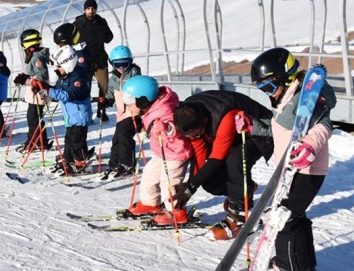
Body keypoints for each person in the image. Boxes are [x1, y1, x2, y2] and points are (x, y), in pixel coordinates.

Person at [247, 48, 335, 270]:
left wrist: (309, 145)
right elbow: (281, 130)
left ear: (285, 77)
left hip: (306, 171)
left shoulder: (304, 98)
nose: (267, 92)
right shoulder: (286, 98)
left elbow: (324, 125)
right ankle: (303, 265)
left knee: (284, 220)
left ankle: (288, 266)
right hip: (290, 171)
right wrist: (253, 126)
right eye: (261, 88)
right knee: (295, 217)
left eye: (268, 86)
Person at [170, 90, 274, 240]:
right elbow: (199, 154)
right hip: (232, 136)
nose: (194, 138)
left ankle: (238, 217)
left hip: (258, 131)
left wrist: (192, 186)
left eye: (196, 134)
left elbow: (217, 158)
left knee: (236, 159)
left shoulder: (224, 116)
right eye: (190, 137)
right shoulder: (188, 116)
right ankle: (245, 189)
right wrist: (189, 186)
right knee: (210, 181)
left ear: (204, 121)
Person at [122, 76, 193, 225]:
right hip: (161, 153)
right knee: (149, 176)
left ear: (142, 101)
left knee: (169, 183)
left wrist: (166, 128)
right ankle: (150, 203)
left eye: (130, 105)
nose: (128, 108)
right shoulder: (151, 108)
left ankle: (176, 212)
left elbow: (174, 128)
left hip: (175, 154)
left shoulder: (165, 109)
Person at [33, 45, 92, 174]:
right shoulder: (64, 77)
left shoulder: (78, 77)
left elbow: (67, 95)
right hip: (70, 117)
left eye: (59, 66)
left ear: (68, 64)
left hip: (79, 116)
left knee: (77, 141)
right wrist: (42, 88)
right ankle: (68, 159)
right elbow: (56, 92)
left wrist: (48, 91)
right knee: (69, 140)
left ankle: (81, 160)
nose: (57, 69)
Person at [100, 45, 143, 180]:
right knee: (117, 139)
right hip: (121, 114)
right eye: (117, 64)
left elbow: (139, 88)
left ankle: (127, 163)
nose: (121, 68)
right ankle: (114, 164)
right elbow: (111, 94)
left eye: (125, 64)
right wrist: (105, 101)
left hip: (134, 112)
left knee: (124, 135)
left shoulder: (134, 74)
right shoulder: (113, 78)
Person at [74, 0, 114, 122]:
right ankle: (86, 114)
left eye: (93, 8)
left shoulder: (101, 22)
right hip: (85, 61)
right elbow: (71, 40)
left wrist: (103, 36)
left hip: (100, 60)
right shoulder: (78, 23)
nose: (91, 11)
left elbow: (109, 37)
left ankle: (102, 111)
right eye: (88, 8)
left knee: (104, 87)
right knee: (85, 88)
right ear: (85, 10)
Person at [12, 29, 52, 152]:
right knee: (34, 118)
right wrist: (24, 76)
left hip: (39, 92)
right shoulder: (34, 56)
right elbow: (33, 73)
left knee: (33, 119)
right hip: (36, 93)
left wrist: (26, 80)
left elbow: (41, 76)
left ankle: (33, 142)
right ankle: (41, 142)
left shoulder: (36, 57)